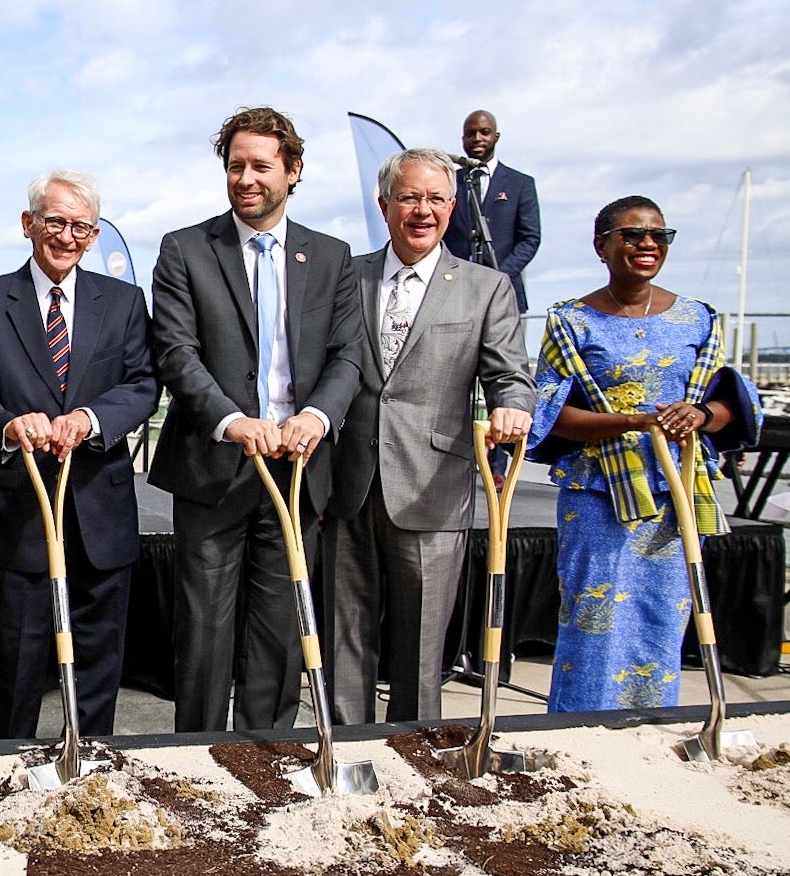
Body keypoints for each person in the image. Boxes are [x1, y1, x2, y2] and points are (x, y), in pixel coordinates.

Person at [149, 106, 360, 733]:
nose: (246, 178)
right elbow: (175, 351)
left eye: (261, 166)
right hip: (215, 470)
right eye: (235, 165)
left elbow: (349, 354)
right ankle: (196, 762)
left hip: (299, 473)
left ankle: (266, 757)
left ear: (292, 172)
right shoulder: (186, 249)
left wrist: (318, 416)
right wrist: (231, 421)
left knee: (278, 636)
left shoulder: (331, 257)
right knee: (205, 637)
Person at [324, 148, 534, 725]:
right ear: (384, 204)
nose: (423, 210)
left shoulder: (486, 288)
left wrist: (512, 408)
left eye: (437, 199)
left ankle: (414, 750)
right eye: (410, 197)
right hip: (348, 483)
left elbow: (510, 376)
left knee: (420, 648)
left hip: (433, 487)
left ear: (451, 209)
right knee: (346, 636)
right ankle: (348, 750)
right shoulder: (347, 275)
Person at [528, 196, 761, 713]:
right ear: (602, 246)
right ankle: (579, 734)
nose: (648, 244)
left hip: (672, 490)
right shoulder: (572, 321)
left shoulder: (696, 319)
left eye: (659, 235)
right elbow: (551, 415)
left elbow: (730, 402)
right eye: (632, 235)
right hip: (597, 494)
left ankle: (650, 729)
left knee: (662, 615)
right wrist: (634, 421)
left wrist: (699, 416)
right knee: (594, 614)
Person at [0, 170, 157, 740]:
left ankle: (90, 762)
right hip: (22, 510)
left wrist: (91, 420)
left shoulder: (123, 302)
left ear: (93, 236)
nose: (67, 236)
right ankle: (8, 765)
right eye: (55, 222)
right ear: (29, 224)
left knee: (97, 662)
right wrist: (7, 424)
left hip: (101, 512)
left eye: (81, 227)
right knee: (18, 662)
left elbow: (144, 385)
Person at [446, 110, 540, 311]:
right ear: (463, 139)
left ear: (496, 136)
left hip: (505, 293)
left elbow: (530, 238)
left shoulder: (520, 184)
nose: (477, 138)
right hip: (457, 292)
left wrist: (500, 277)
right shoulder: (447, 183)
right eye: (471, 133)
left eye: (484, 132)